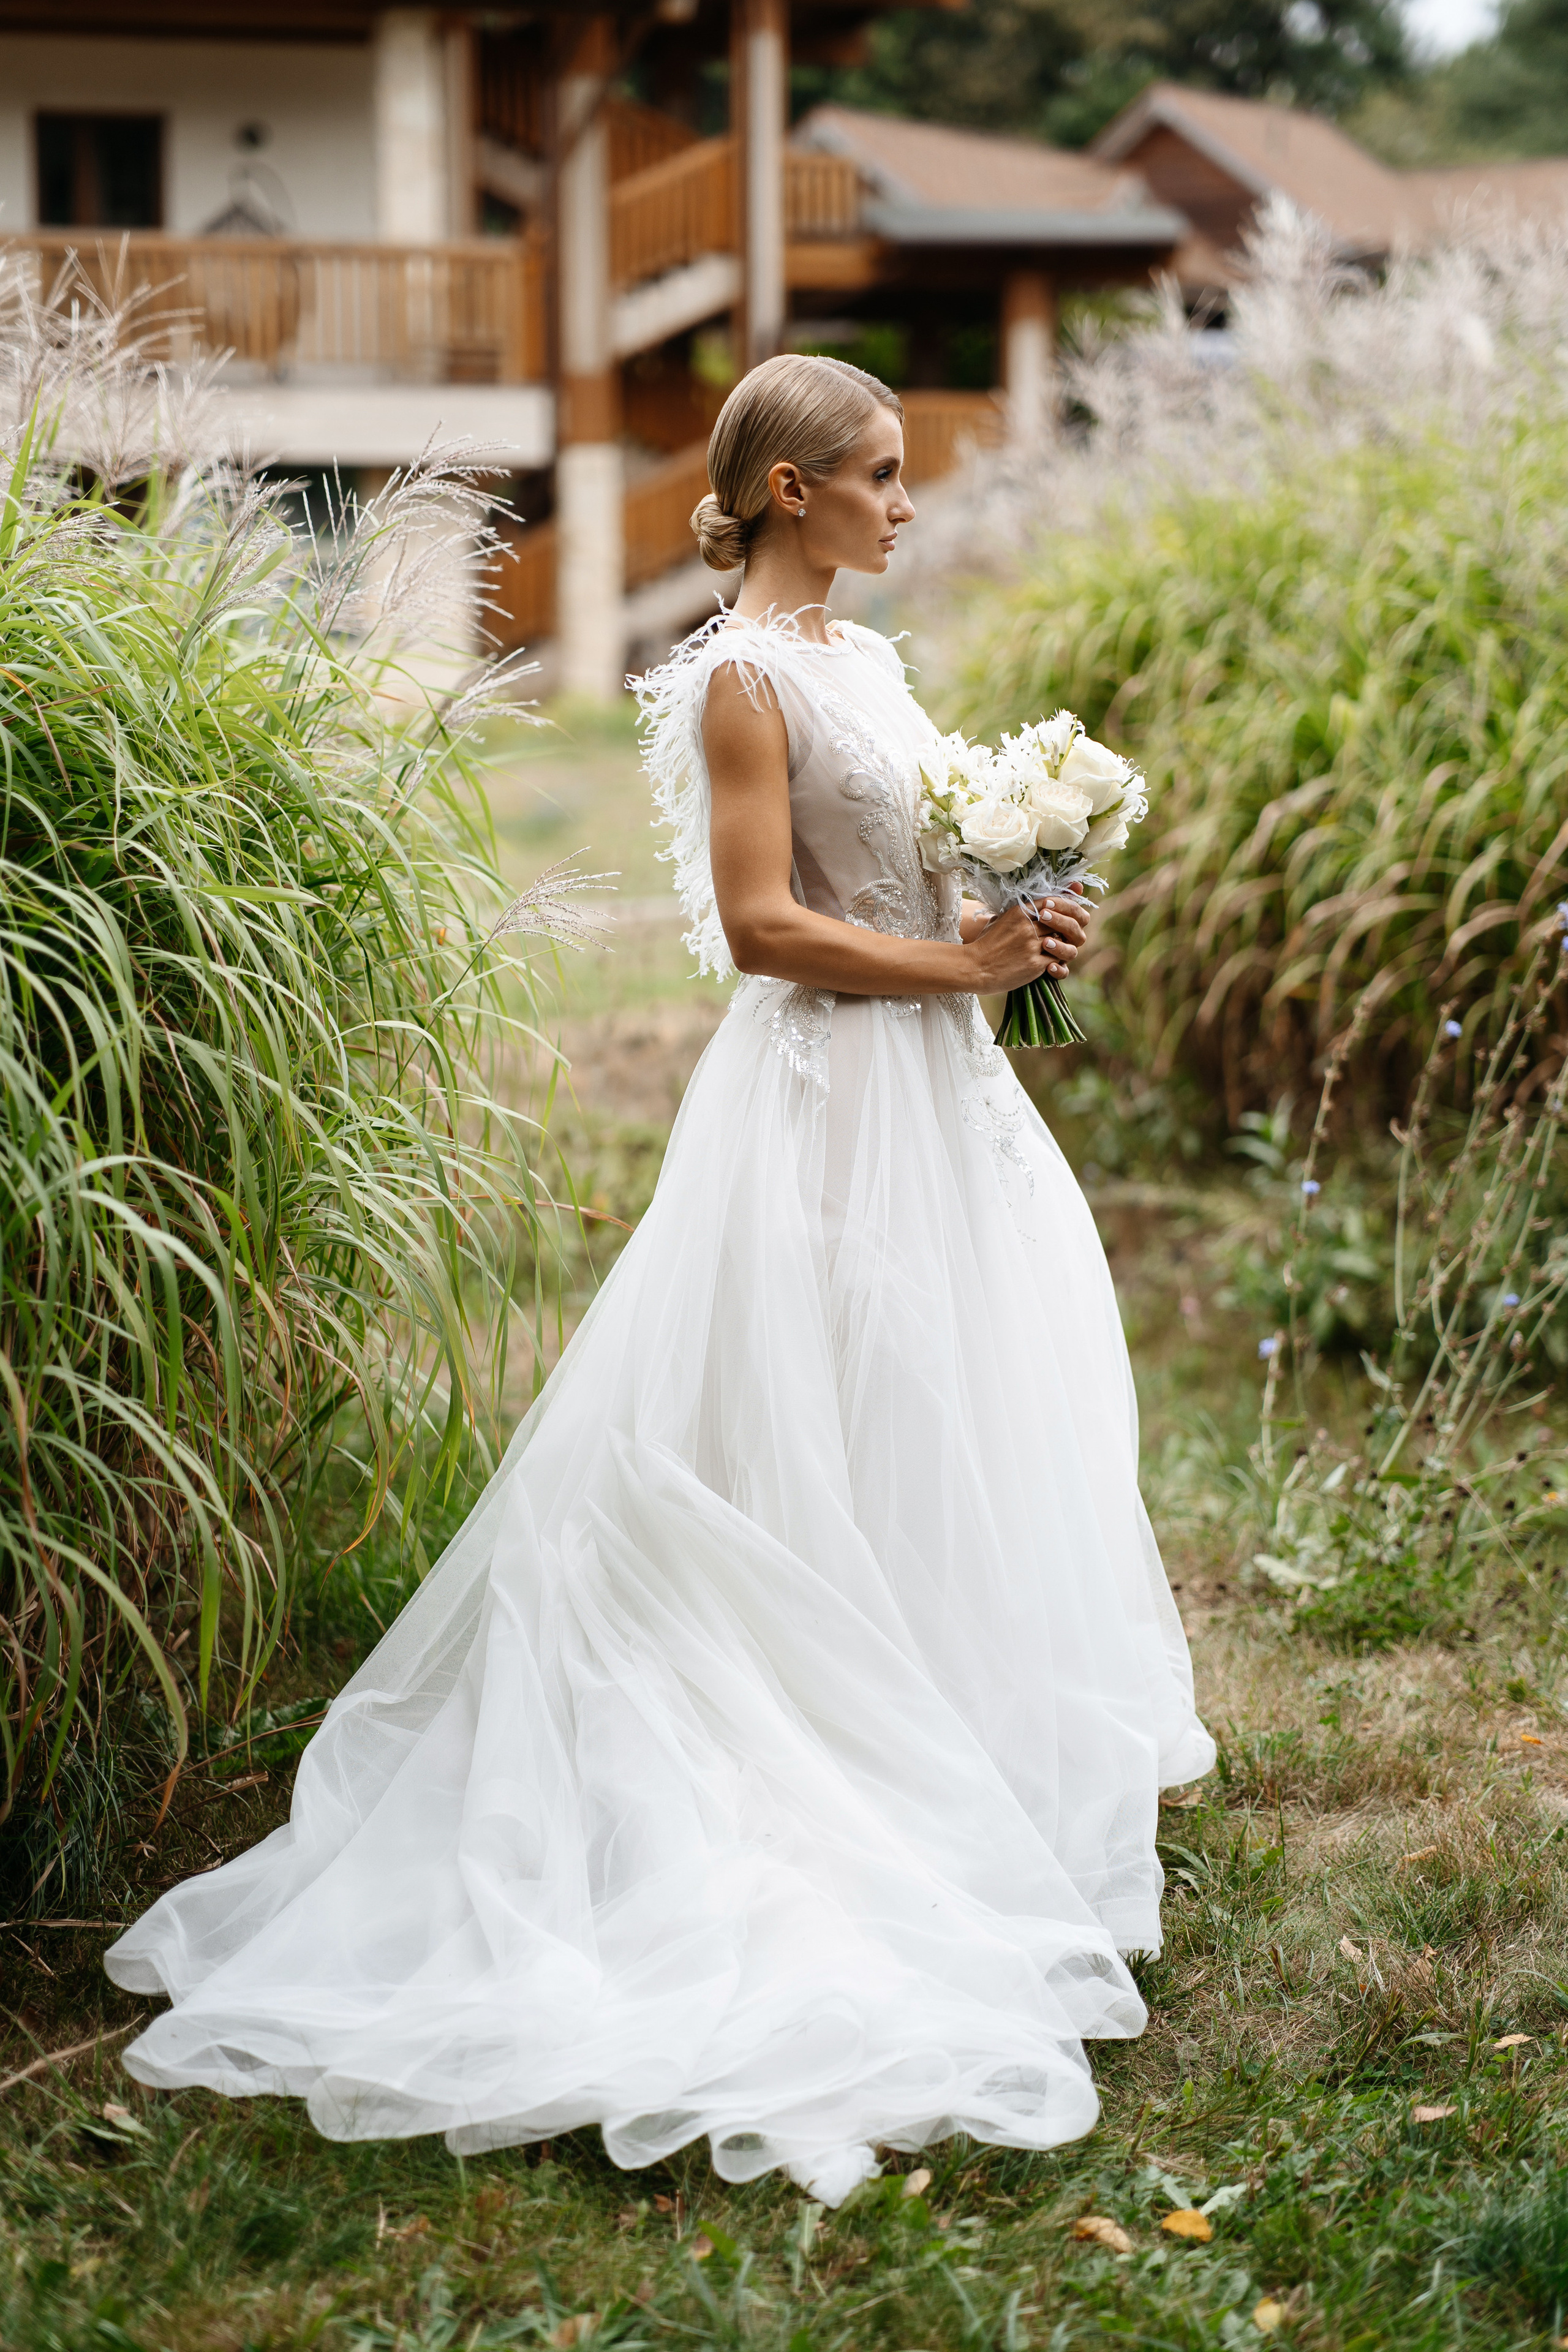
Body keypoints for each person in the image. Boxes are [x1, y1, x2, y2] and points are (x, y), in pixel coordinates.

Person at [107, 353, 1213, 2207]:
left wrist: (1009, 926)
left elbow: (886, 884)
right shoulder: (737, 678)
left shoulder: (867, 659)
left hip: (934, 1094)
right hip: (825, 1099)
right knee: (813, 1402)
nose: (904, 501)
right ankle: (803, 1770)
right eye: (878, 474)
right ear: (791, 493)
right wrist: (969, 973)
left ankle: (953, 1733)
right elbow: (772, 930)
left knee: (942, 1399)